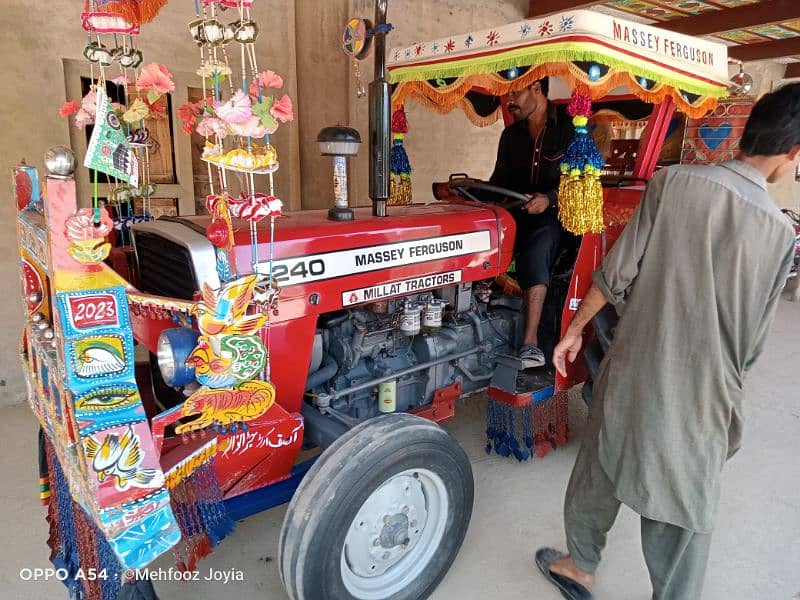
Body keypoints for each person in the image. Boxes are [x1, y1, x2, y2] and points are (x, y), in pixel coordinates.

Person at [536, 83, 800, 600]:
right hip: (708, 385)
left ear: (747, 132)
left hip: (636, 360)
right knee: (685, 498)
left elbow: (615, 275)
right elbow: (752, 345)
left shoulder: (673, 183)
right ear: (793, 153)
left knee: (603, 462)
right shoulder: (779, 232)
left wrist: (572, 331)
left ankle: (580, 565)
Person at [488, 77, 574, 367]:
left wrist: (549, 199)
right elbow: (497, 183)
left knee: (539, 240)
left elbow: (585, 186)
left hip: (560, 215)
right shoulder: (510, 136)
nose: (510, 101)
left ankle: (531, 342)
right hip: (517, 212)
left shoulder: (571, 128)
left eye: (515, 92)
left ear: (535, 88)